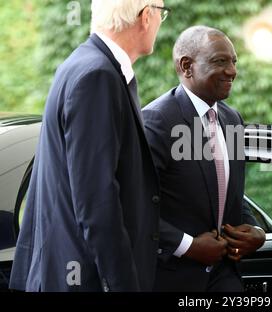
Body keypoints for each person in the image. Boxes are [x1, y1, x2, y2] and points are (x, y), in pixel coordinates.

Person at [9, 0, 169, 291]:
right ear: (146, 16)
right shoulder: (97, 76)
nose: (161, 21)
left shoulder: (83, 64)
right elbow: (97, 201)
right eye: (161, 13)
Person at [142, 25, 266, 292]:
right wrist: (187, 246)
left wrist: (256, 232)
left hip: (224, 276)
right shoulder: (157, 121)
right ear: (187, 66)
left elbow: (231, 195)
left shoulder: (232, 120)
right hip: (171, 278)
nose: (232, 71)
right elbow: (133, 206)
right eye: (220, 61)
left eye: (233, 61)